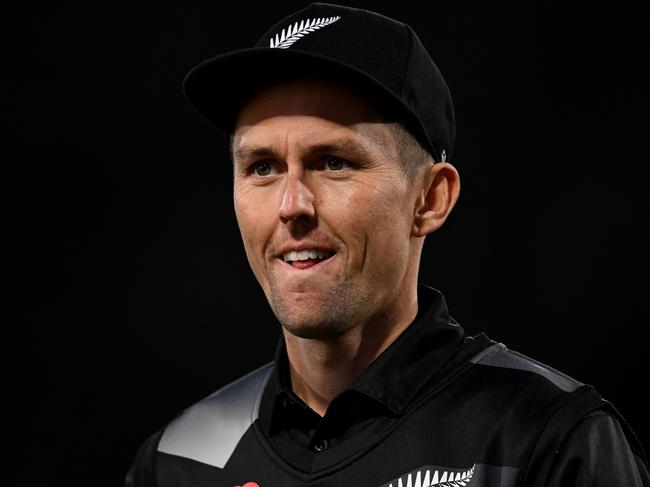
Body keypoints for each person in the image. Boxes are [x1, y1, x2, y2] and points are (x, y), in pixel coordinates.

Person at [125, 3, 648, 486]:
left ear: (430, 199)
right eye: (262, 167)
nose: (292, 205)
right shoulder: (178, 460)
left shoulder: (543, 439)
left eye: (334, 162)